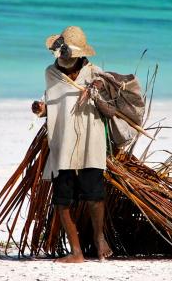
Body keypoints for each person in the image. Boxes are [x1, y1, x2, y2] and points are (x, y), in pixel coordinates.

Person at [31, 26, 112, 263]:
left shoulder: (94, 73)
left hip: (90, 140)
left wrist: (97, 88)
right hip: (62, 142)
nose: (65, 59)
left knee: (95, 195)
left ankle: (99, 238)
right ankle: (76, 252)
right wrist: (41, 109)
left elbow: (108, 92)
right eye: (63, 54)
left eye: (70, 55)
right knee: (62, 200)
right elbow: (51, 103)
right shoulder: (51, 73)